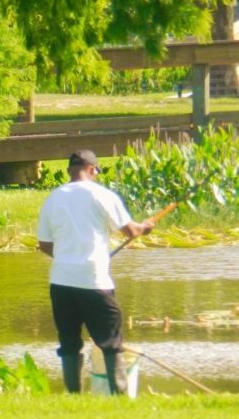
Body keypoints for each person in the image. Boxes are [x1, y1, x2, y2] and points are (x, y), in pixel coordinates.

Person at [36, 150, 156, 395]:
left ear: (70, 170)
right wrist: (145, 227)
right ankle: (120, 396)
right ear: (92, 170)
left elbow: (45, 245)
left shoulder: (53, 198)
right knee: (111, 343)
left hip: (61, 283)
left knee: (69, 343)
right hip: (94, 281)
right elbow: (131, 231)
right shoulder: (103, 195)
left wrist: (68, 258)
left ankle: (74, 396)